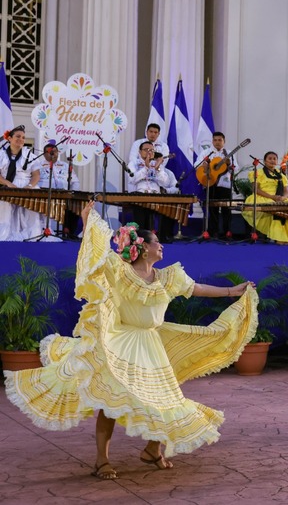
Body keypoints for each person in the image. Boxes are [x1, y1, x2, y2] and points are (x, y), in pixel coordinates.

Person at [4, 200, 258, 480]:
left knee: (164, 399)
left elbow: (196, 288)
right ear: (143, 247)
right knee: (111, 401)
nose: (161, 246)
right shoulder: (120, 271)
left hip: (151, 345)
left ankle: (152, 450)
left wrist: (232, 291)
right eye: (157, 242)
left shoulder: (168, 277)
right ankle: (102, 460)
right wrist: (88, 221)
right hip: (122, 343)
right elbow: (96, 254)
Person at [241, 151, 288, 244]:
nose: (272, 161)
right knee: (276, 208)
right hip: (262, 197)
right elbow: (256, 189)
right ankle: (279, 238)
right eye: (270, 159)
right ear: (265, 161)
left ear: (277, 161)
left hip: (278, 198)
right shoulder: (258, 173)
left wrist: (283, 198)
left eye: (274, 159)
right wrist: (272, 197)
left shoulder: (281, 176)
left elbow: (286, 192)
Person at [127, 141, 177, 242]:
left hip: (156, 196)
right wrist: (146, 167)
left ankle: (162, 237)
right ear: (140, 152)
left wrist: (158, 169)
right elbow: (132, 179)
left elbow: (165, 182)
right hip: (140, 195)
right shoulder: (134, 163)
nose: (149, 152)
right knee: (140, 207)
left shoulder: (156, 164)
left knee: (168, 206)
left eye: (151, 150)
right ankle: (141, 238)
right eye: (146, 150)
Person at [0, 125, 44, 241]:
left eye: (23, 137)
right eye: (18, 136)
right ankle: (4, 236)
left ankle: (32, 236)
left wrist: (29, 186)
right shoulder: (1, 155)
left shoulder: (30, 156)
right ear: (9, 138)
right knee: (5, 212)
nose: (21, 139)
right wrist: (8, 183)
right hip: (7, 187)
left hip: (26, 186)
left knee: (31, 213)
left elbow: (36, 175)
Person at [37, 142, 81, 236]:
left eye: (55, 151)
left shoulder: (65, 165)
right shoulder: (38, 165)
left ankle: (69, 232)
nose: (53, 154)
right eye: (50, 152)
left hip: (63, 196)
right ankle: (43, 230)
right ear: (44, 154)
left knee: (76, 207)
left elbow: (75, 182)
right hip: (43, 196)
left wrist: (72, 194)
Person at [203, 132, 235, 240]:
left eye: (220, 140)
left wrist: (229, 164)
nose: (217, 142)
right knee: (213, 210)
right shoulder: (207, 152)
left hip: (225, 185)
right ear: (212, 141)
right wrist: (204, 166)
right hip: (211, 184)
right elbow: (197, 165)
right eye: (215, 140)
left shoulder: (229, 153)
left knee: (226, 210)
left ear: (224, 141)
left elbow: (236, 168)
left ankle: (227, 232)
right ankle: (214, 232)